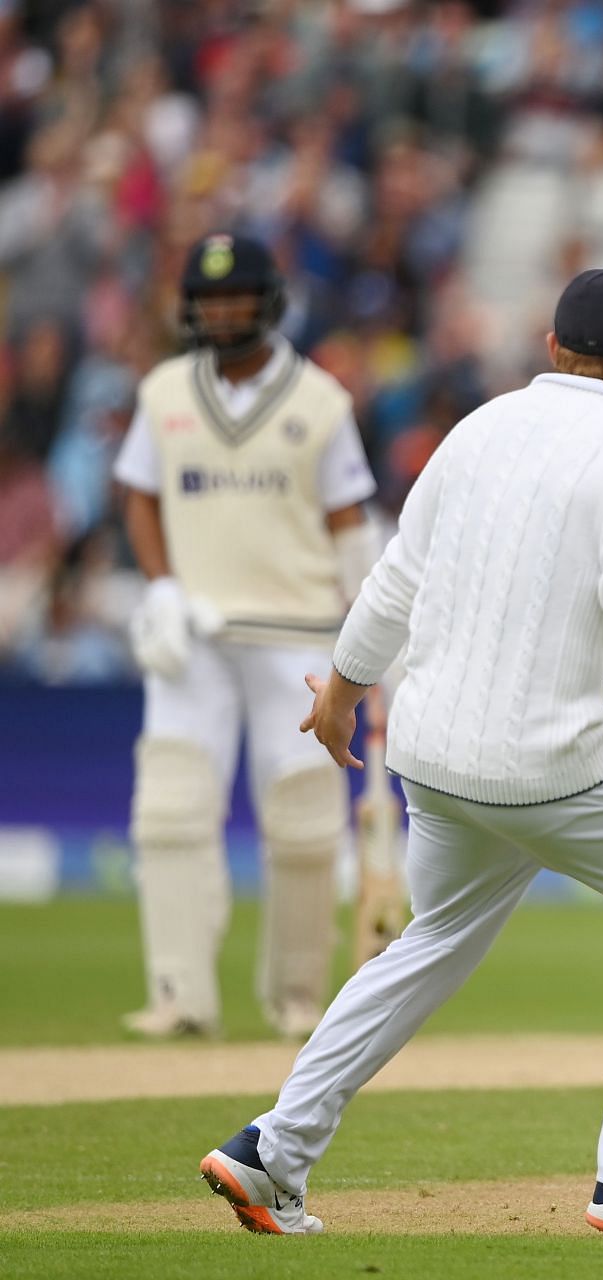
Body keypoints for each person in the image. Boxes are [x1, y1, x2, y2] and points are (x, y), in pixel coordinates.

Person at [199, 269, 603, 1238]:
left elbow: (399, 574)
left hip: (433, 758)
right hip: (548, 764)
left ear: (553, 347)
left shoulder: (475, 429)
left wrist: (346, 693)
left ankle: (272, 1149)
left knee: (431, 942)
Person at [113, 232, 382, 1041]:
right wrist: (160, 583)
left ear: (268, 302)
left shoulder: (319, 402)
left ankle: (298, 997)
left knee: (304, 818)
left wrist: (375, 635)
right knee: (169, 808)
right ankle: (178, 993)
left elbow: (349, 527)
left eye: (235, 298)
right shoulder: (164, 390)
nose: (222, 312)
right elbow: (139, 496)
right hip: (191, 631)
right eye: (208, 299)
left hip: (298, 633)